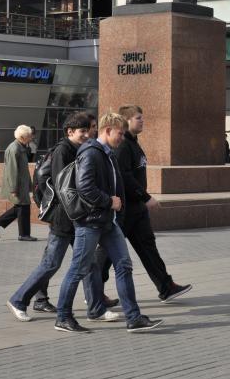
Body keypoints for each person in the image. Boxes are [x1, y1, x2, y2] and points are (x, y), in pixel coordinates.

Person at [55, 112, 163, 333]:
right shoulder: (92, 153)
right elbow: (85, 187)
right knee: (78, 268)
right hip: (91, 222)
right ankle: (63, 317)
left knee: (124, 265)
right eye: (119, 134)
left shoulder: (107, 153)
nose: (122, 138)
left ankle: (133, 318)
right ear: (107, 130)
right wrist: (108, 202)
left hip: (108, 222)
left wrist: (116, 212)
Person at [6, 113, 117, 322]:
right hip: (65, 217)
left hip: (77, 216)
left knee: (90, 262)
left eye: (88, 130)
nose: (86, 134)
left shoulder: (79, 149)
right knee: (51, 263)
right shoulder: (63, 151)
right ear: (70, 132)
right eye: (82, 131)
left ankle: (96, 308)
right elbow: (64, 186)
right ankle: (18, 300)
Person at [116, 105, 192, 302]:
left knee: (148, 247)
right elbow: (124, 176)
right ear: (127, 121)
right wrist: (145, 196)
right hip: (127, 208)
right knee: (109, 253)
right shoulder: (124, 146)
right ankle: (94, 288)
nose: (142, 121)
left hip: (136, 209)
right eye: (138, 118)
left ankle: (165, 286)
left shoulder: (133, 144)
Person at [0, 125, 37, 242]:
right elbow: (12, 170)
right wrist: (13, 188)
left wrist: (29, 184)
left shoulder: (20, 147)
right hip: (17, 185)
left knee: (21, 207)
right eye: (29, 136)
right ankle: (23, 234)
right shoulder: (14, 149)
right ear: (22, 137)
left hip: (21, 183)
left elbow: (23, 169)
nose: (31, 138)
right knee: (23, 207)